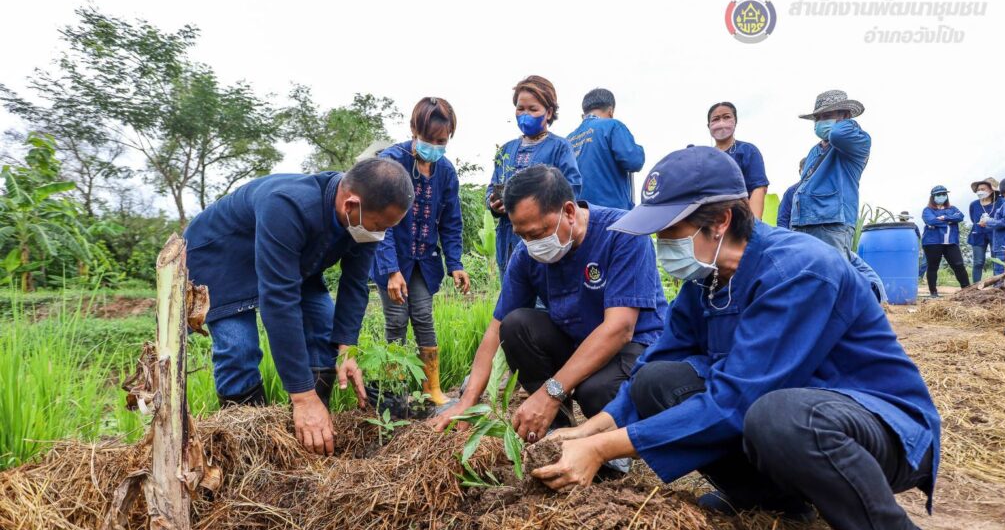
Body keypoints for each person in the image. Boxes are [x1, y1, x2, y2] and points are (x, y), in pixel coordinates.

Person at [529, 146, 948, 530]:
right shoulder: (706, 281)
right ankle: (771, 501)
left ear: (721, 220)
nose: (663, 245)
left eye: (671, 231)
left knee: (778, 416)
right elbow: (657, 361)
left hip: (877, 426)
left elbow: (735, 401)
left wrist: (602, 450)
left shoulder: (798, 269)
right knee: (658, 382)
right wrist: (591, 429)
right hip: (790, 414)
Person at [433, 165, 667, 468]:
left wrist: (551, 392)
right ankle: (556, 434)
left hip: (634, 347)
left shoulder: (622, 233)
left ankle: (612, 449)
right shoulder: (526, 255)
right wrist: (466, 403)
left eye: (537, 233)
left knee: (595, 390)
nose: (532, 244)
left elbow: (620, 328)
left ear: (568, 211)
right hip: (578, 343)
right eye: (522, 235)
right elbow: (496, 329)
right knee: (516, 326)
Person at [184, 159, 413, 455]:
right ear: (350, 205)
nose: (380, 234)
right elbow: (280, 302)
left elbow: (355, 284)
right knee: (239, 348)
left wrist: (347, 349)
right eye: (380, 226)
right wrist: (302, 397)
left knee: (324, 330)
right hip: (221, 256)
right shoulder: (288, 205)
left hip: (293, 260)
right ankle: (250, 447)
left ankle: (309, 435)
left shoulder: (363, 221)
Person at [372, 97, 469, 406]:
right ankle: (394, 392)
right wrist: (391, 270)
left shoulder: (446, 172)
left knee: (424, 316)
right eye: (430, 139)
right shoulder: (391, 162)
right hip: (393, 257)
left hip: (424, 260)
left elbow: (451, 221)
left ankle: (432, 389)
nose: (436, 147)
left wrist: (455, 263)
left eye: (443, 141)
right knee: (396, 320)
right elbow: (379, 221)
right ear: (414, 129)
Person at [488, 76, 583, 275]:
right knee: (513, 287)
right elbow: (491, 187)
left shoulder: (560, 147)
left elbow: (572, 188)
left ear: (549, 112)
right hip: (509, 239)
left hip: (545, 239)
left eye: (533, 109)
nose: (525, 115)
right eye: (520, 109)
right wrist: (493, 203)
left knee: (547, 288)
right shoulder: (505, 151)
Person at [779, 157, 886, 302]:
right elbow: (783, 220)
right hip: (804, 241)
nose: (811, 173)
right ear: (801, 172)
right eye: (807, 171)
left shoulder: (830, 184)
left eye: (813, 170)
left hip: (831, 236)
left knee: (842, 269)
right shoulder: (793, 192)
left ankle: (875, 297)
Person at [789, 90, 870, 256]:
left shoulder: (857, 142)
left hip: (832, 225)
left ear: (845, 116)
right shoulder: (814, 151)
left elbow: (838, 134)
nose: (820, 122)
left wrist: (847, 122)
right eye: (817, 118)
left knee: (832, 272)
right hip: (803, 224)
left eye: (826, 116)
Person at [565, 88, 645, 210]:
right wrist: (639, 150)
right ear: (610, 111)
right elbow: (634, 161)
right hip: (610, 212)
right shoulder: (612, 126)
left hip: (578, 214)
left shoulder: (569, 139)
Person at [706, 102, 769, 218]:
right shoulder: (704, 157)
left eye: (726, 117)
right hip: (712, 220)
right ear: (708, 125)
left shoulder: (748, 151)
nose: (721, 122)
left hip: (740, 219)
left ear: (735, 121)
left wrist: (752, 223)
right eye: (716, 119)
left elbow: (758, 188)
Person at [921, 185, 970, 298]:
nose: (941, 196)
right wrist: (950, 220)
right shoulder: (927, 210)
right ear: (933, 196)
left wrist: (944, 218)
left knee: (959, 265)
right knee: (933, 266)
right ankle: (933, 293)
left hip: (951, 242)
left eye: (944, 194)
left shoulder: (952, 208)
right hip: (932, 242)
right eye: (938, 194)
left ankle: (967, 290)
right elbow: (931, 221)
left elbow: (960, 217)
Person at [967, 177, 1005, 283]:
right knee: (978, 262)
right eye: (978, 189)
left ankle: (997, 285)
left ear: (992, 190)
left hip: (996, 234)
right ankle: (975, 287)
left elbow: (1004, 219)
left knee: (996, 261)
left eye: (983, 189)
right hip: (978, 234)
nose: (980, 191)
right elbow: (973, 218)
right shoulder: (974, 204)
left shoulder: (1001, 202)